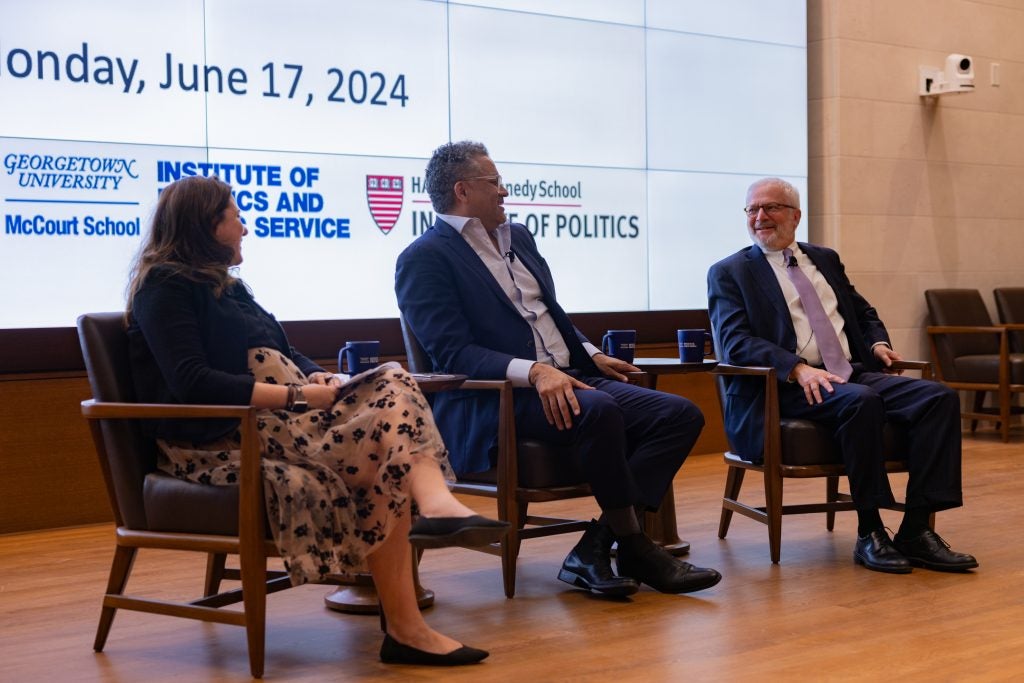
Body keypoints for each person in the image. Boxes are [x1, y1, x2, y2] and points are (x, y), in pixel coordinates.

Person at [126, 175, 509, 666]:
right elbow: (192, 381)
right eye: (235, 216)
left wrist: (317, 374)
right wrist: (296, 394)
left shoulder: (229, 288)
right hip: (229, 437)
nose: (246, 227)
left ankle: (412, 608)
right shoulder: (165, 287)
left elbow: (282, 350)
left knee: (391, 388)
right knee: (389, 427)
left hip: (287, 422)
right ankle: (430, 531)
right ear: (205, 225)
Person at [395, 140, 721, 597]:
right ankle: (632, 544)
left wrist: (589, 351)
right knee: (600, 409)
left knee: (679, 414)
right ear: (463, 190)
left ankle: (598, 545)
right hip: (497, 399)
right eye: (495, 182)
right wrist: (533, 372)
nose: (505, 191)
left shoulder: (519, 237)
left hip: (568, 377)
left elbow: (547, 311)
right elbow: (453, 353)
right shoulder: (424, 258)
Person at [707, 177, 977, 574]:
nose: (760, 217)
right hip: (781, 387)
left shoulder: (825, 259)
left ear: (795, 215)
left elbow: (862, 313)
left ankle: (917, 529)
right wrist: (797, 369)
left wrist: (877, 345)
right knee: (860, 401)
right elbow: (735, 342)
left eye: (771, 208)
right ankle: (870, 531)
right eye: (752, 210)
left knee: (938, 398)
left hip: (849, 372)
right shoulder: (730, 272)